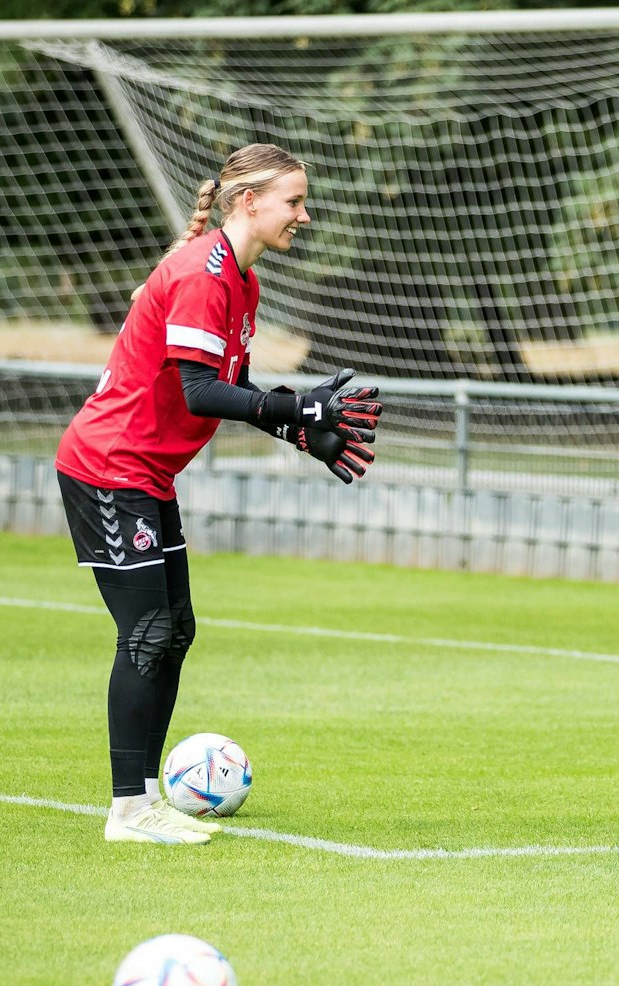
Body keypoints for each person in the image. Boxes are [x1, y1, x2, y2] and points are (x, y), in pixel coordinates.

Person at [55, 142, 382, 845]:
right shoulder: (205, 278)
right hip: (109, 467)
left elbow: (220, 390)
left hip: (145, 473)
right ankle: (127, 811)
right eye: (294, 200)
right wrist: (300, 410)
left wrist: (301, 432)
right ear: (248, 202)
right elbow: (199, 392)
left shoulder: (243, 282)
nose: (304, 213)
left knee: (175, 631)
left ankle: (146, 798)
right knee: (145, 633)